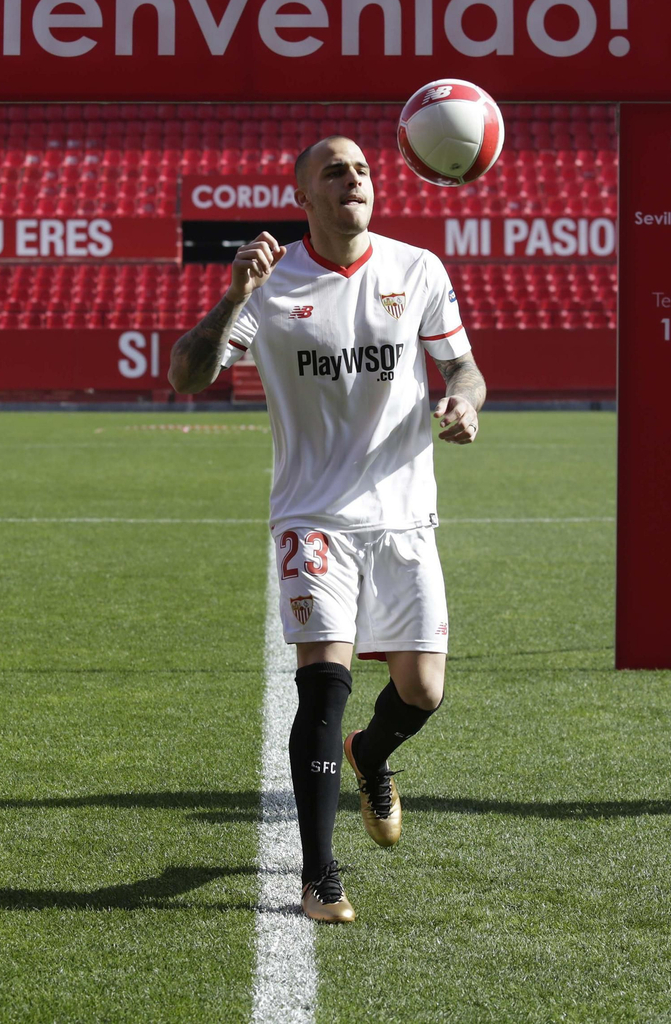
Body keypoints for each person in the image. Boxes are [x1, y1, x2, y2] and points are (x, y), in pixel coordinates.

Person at [168, 136, 485, 922]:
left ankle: (372, 756)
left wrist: (466, 401)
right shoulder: (270, 285)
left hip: (405, 515)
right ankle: (318, 875)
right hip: (313, 515)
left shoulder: (417, 270)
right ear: (303, 195)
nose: (354, 178)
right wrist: (232, 297)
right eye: (334, 170)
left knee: (424, 689)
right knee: (325, 682)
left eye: (364, 170)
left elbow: (465, 368)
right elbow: (186, 373)